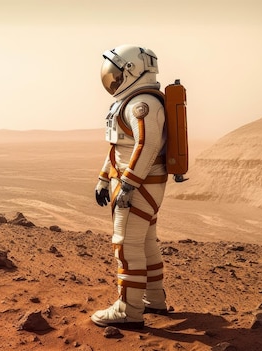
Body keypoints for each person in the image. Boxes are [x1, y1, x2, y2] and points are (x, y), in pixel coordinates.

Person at [91, 44, 169, 328]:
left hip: (139, 185)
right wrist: (103, 178)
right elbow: (118, 148)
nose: (112, 80)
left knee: (126, 245)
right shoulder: (133, 102)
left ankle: (129, 309)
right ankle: (153, 299)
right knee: (145, 242)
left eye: (116, 74)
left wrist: (128, 185)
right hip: (136, 182)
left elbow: (146, 146)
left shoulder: (142, 105)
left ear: (132, 70)